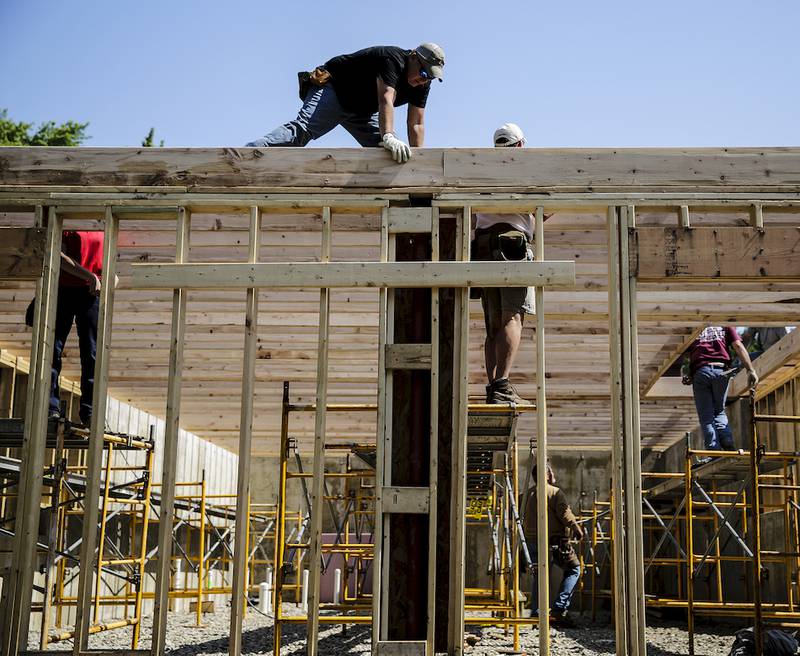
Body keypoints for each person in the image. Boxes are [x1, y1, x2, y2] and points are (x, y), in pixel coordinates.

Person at [246, 43, 445, 163]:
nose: (424, 80)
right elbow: (386, 99)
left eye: (430, 77)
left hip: (362, 110)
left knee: (392, 155)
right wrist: (389, 135)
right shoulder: (392, 59)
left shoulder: (422, 84)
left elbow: (416, 123)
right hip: (335, 91)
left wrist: (419, 162)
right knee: (301, 132)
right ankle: (247, 155)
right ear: (413, 57)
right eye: (423, 73)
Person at [473, 123, 539, 404]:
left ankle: (493, 387)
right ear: (521, 146)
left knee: (493, 327)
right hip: (512, 245)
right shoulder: (526, 171)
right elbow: (544, 206)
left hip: (484, 245)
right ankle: (502, 386)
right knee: (512, 317)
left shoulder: (480, 171)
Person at [49, 230, 106, 426]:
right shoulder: (68, 221)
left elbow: (110, 266)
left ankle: (89, 412)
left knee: (92, 354)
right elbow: (56, 253)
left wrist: (108, 282)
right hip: (63, 289)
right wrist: (88, 275)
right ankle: (50, 408)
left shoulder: (104, 225)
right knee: (51, 351)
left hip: (91, 293)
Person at [521, 461, 584, 626]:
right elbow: (565, 514)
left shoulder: (526, 495)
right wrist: (576, 529)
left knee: (539, 576)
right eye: (551, 472)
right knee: (574, 569)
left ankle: (536, 613)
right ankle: (559, 609)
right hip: (554, 541)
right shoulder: (555, 492)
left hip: (531, 542)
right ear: (547, 475)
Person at [681, 326, 759, 452]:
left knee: (707, 416)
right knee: (719, 411)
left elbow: (691, 353)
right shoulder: (725, 325)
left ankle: (713, 450)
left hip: (702, 372)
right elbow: (738, 346)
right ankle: (727, 440)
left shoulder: (695, 328)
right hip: (721, 371)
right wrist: (750, 370)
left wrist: (690, 374)